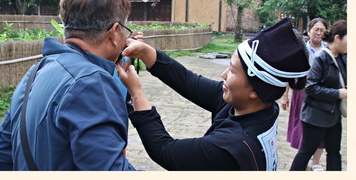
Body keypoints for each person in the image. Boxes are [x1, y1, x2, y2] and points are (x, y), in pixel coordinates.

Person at [117, 18, 311, 171]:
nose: (223, 75)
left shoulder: (231, 146)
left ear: (254, 90)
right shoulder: (260, 107)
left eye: (233, 71)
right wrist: (145, 51)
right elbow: (189, 82)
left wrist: (136, 92)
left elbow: (164, 150)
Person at [0, 0, 136, 170]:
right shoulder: (91, 81)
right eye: (126, 30)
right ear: (115, 32)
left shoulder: (36, 71)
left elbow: (1, 152)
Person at [289, 20, 347, 171]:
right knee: (305, 152)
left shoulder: (342, 58)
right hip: (315, 116)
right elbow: (310, 88)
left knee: (334, 153)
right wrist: (337, 93)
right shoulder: (322, 57)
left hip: (333, 115)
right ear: (338, 38)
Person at [282, 18, 329, 170]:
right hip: (301, 92)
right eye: (316, 29)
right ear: (309, 31)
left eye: (322, 30)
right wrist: (285, 95)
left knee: (321, 127)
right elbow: (290, 73)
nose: (319, 33)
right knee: (301, 126)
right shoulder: (301, 48)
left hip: (322, 94)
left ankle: (316, 162)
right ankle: (303, 156)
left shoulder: (328, 49)